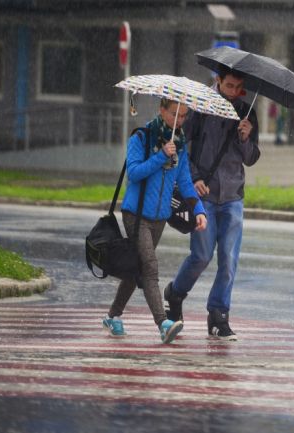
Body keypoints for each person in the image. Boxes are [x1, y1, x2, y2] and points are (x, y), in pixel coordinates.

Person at [164, 66, 260, 341]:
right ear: (218, 81)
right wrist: (193, 179)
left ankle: (218, 316)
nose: (233, 92)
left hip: (232, 198)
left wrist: (244, 137)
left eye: (238, 87)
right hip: (203, 195)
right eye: (229, 85)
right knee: (201, 256)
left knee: (229, 261)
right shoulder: (200, 107)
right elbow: (182, 146)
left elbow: (252, 157)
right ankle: (175, 293)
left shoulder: (247, 111)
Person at [102, 98, 207, 344]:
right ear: (161, 110)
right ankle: (163, 323)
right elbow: (134, 172)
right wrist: (160, 156)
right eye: (174, 114)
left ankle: (113, 315)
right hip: (136, 215)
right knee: (150, 268)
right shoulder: (141, 137)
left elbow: (184, 183)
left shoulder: (179, 145)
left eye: (183, 116)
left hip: (160, 218)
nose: (179, 121)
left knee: (135, 268)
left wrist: (199, 210)